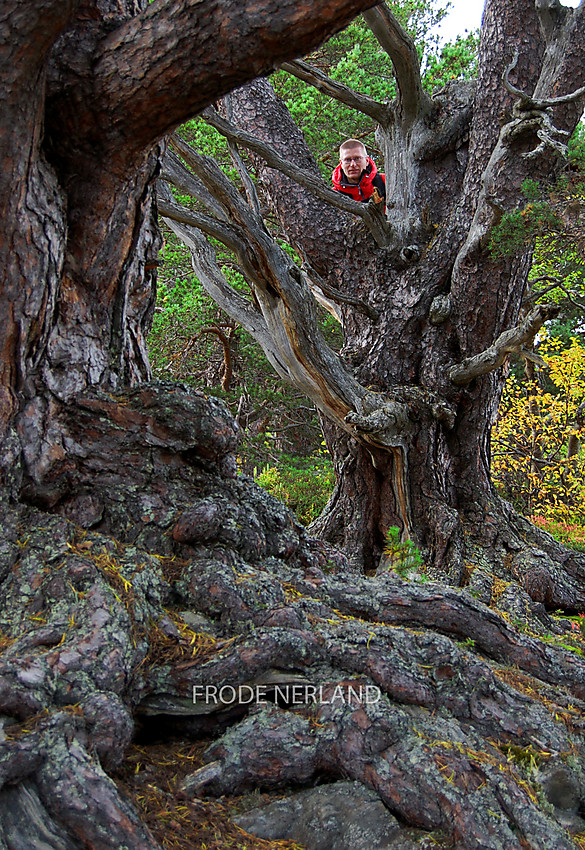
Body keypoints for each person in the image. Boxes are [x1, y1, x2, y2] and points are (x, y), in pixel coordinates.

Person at [331, 139, 386, 206]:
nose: (352, 164)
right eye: (347, 160)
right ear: (341, 163)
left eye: (357, 159)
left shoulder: (385, 182)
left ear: (367, 161)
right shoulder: (333, 196)